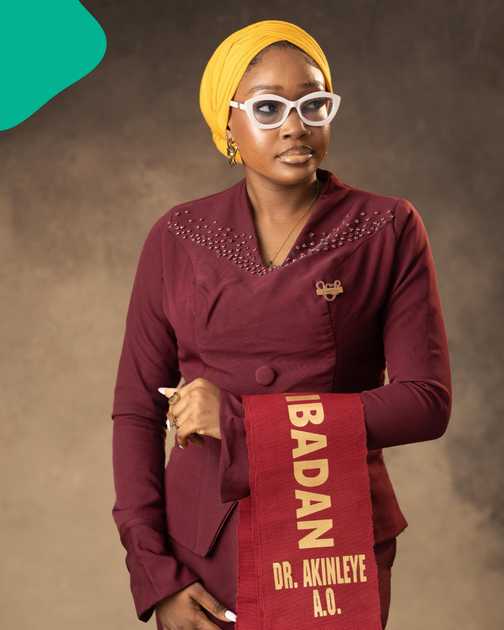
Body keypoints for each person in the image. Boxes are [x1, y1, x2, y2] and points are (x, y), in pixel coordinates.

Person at [109, 20, 451, 629]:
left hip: (333, 535)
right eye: (268, 108)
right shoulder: (177, 237)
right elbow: (137, 411)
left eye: (314, 104)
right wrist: (156, 574)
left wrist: (241, 421)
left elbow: (425, 403)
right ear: (227, 125)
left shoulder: (386, 228)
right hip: (202, 547)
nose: (296, 126)